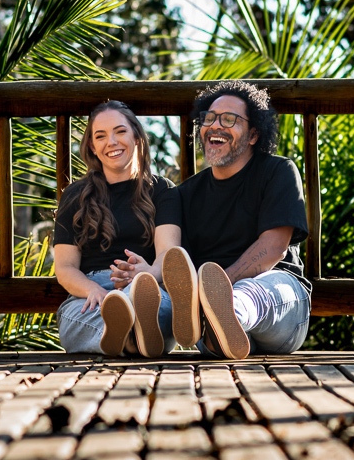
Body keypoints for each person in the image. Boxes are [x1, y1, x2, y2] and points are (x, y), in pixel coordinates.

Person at [160, 80, 311, 359]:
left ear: (253, 135)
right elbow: (172, 261)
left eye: (229, 119)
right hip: (213, 318)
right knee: (175, 310)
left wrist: (214, 291)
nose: (215, 125)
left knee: (251, 293)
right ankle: (220, 336)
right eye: (209, 118)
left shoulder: (278, 171)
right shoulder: (184, 195)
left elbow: (274, 246)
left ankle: (226, 316)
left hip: (281, 305)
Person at [54, 100, 180, 356]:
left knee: (160, 307)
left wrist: (150, 273)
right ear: (92, 146)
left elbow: (169, 251)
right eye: (100, 136)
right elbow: (65, 267)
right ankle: (133, 338)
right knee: (71, 321)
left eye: (120, 131)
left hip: (145, 287)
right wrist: (95, 291)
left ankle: (127, 336)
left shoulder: (162, 190)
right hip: (92, 293)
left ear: (136, 136)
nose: (111, 141)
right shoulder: (75, 195)